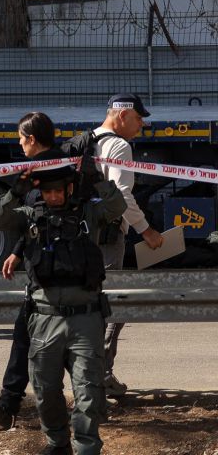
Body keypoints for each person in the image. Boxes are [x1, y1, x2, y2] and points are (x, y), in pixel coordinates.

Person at [0, 160, 127, 455]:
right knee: (46, 391)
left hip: (86, 318)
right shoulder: (31, 216)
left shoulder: (88, 212)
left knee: (88, 391)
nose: (53, 197)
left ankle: (87, 447)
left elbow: (116, 207)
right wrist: (15, 191)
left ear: (69, 189)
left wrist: (97, 177)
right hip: (44, 319)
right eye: (47, 192)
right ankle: (57, 442)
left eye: (58, 191)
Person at [0, 111, 63, 428]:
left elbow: (36, 219)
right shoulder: (60, 166)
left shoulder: (41, 175)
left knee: (38, 345)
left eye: (21, 139)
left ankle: (15, 407)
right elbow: (40, 223)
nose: (20, 144)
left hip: (51, 280)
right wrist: (17, 251)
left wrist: (18, 189)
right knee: (25, 338)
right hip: (48, 273)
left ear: (33, 140)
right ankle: (8, 405)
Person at [92, 93, 164, 397]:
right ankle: (100, 376)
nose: (142, 125)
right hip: (109, 236)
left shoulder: (87, 140)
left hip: (83, 234)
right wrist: (146, 230)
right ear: (122, 116)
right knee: (113, 304)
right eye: (138, 119)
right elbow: (122, 196)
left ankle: (92, 375)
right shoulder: (120, 146)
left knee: (88, 304)